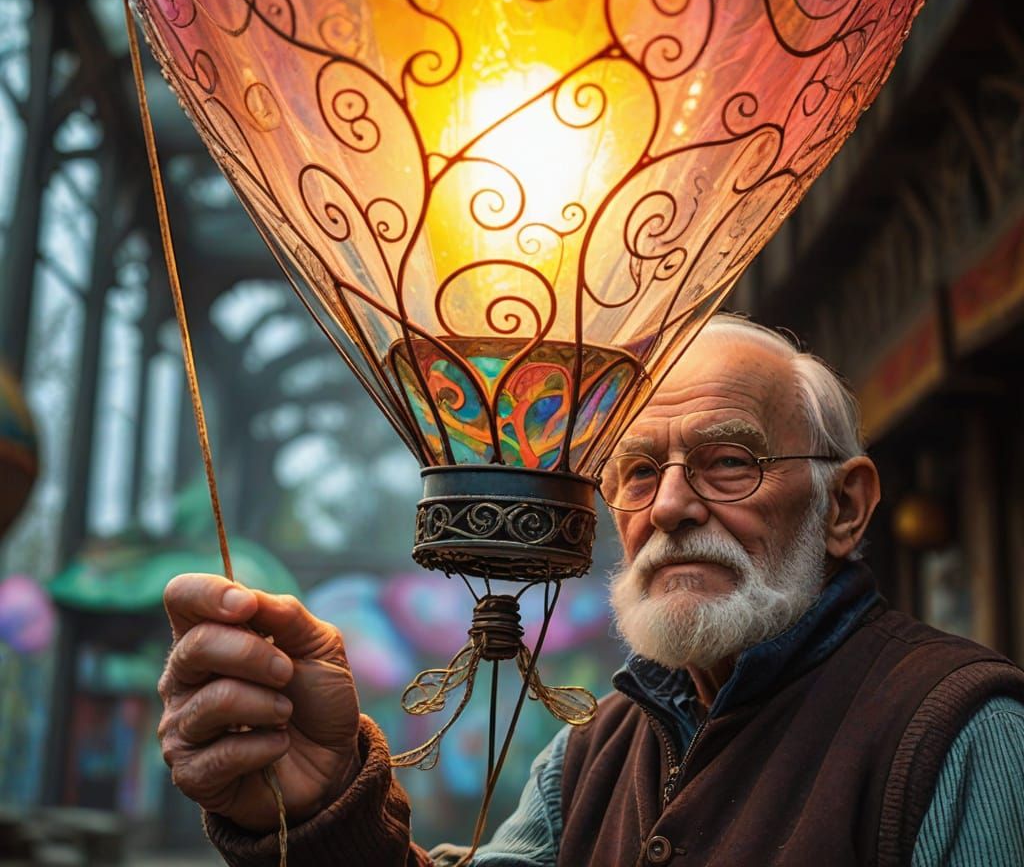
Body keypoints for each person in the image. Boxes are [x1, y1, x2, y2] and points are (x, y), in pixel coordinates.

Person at [157, 315, 1024, 866]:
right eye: (639, 470)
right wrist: (320, 804)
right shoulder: (598, 746)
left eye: (730, 461)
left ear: (844, 505)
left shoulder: (957, 732)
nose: (674, 505)